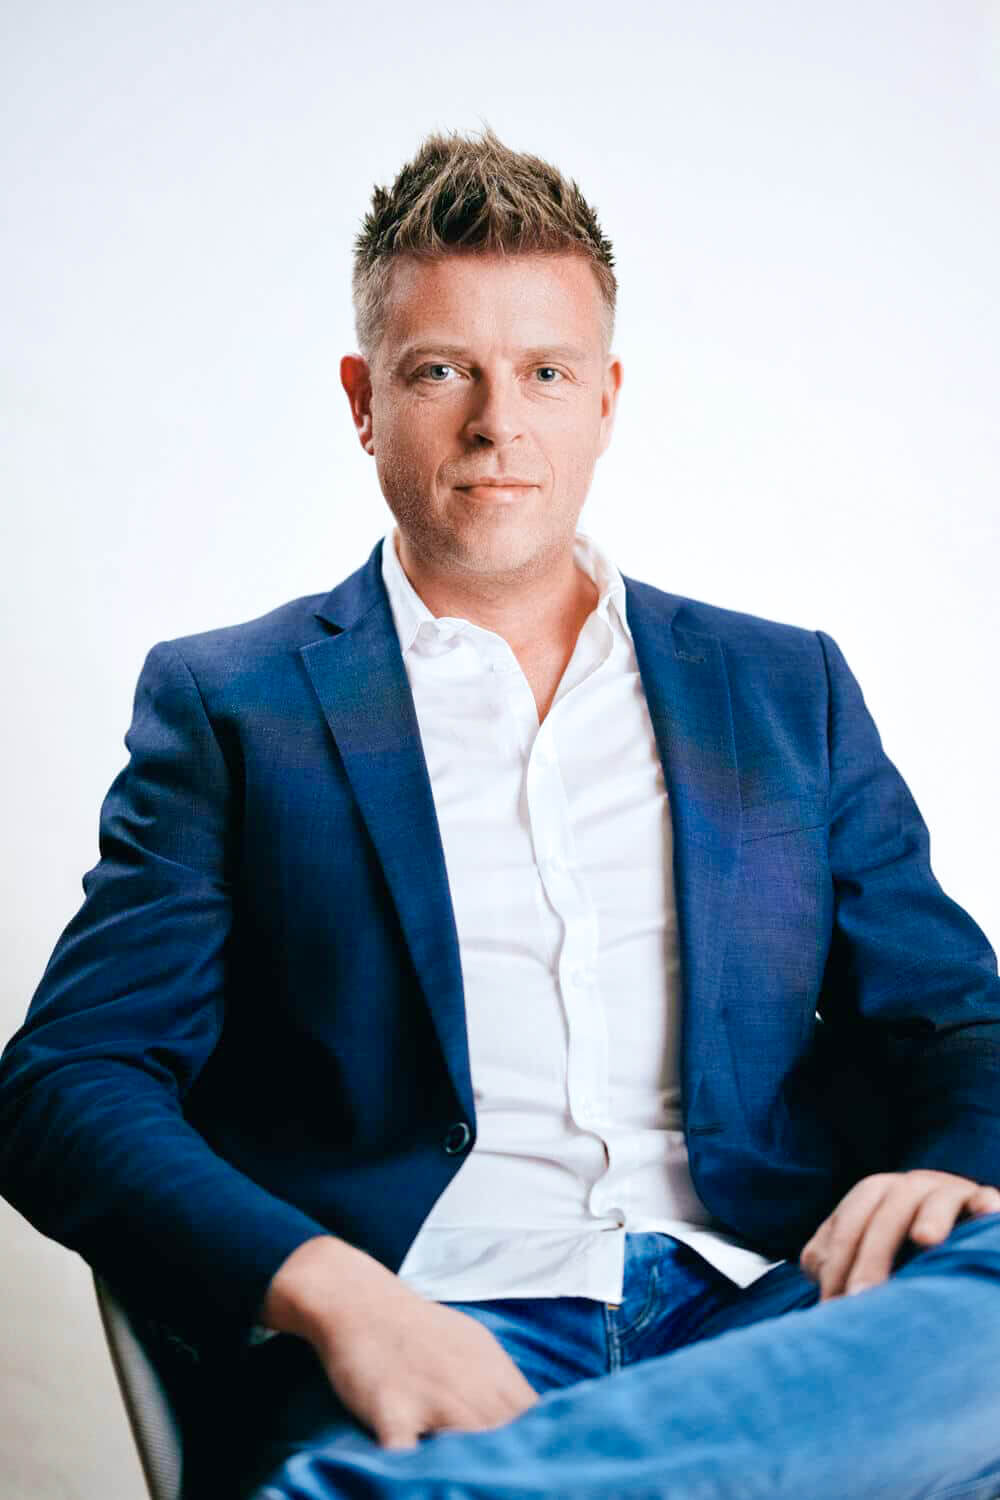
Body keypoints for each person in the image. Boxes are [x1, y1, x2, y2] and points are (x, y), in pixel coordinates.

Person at [2, 126, 1000, 1500]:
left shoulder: (784, 690)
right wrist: (341, 1296)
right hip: (434, 1334)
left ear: (607, 398)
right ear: (363, 399)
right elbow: (68, 1080)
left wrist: (947, 1169)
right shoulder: (235, 708)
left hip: (773, 1317)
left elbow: (960, 1026)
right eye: (440, 371)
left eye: (545, 372)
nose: (496, 423)